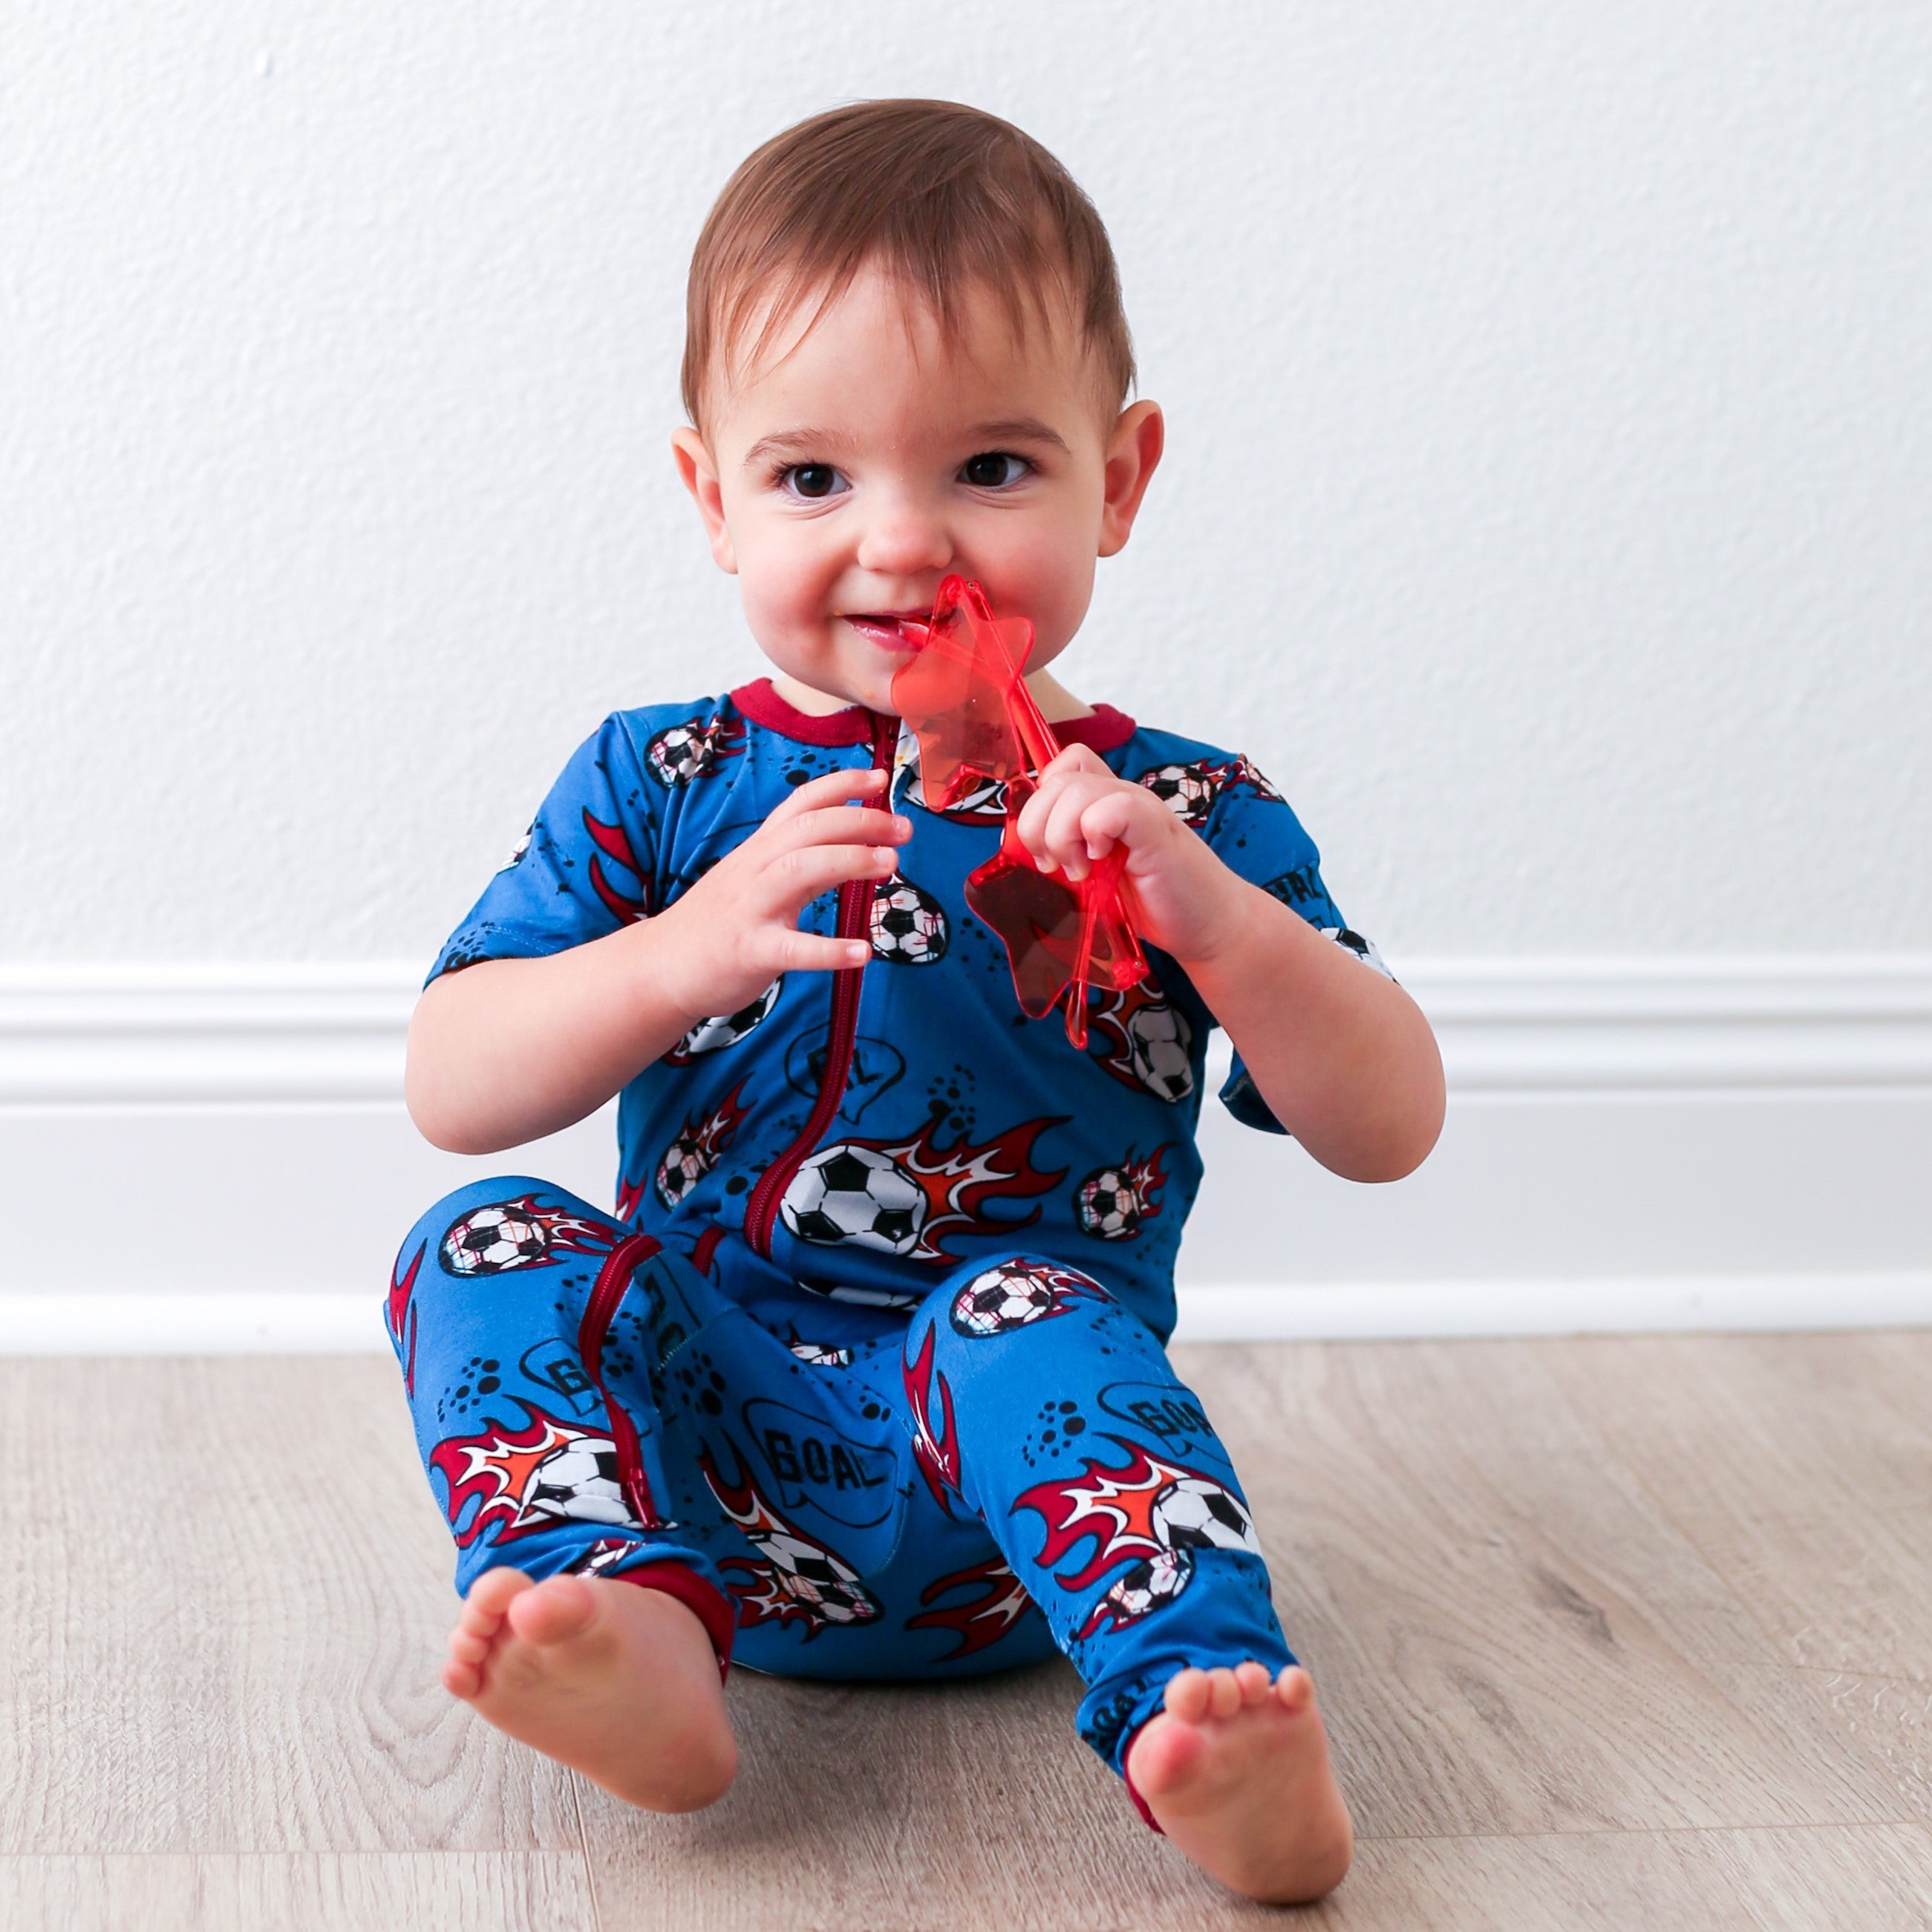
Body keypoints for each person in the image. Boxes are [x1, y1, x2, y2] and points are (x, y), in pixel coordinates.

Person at [391, 98, 1443, 1905]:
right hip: (699, 1451)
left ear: (1117, 478)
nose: (902, 544)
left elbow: (1388, 1122)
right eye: (813, 478)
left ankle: (1199, 1713)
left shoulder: (1185, 815)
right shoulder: (664, 782)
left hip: (1004, 1513)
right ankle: (629, 1624)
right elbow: (454, 1078)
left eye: (989, 470)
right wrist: (678, 953)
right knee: (477, 1234)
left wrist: (1220, 931)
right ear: (710, 495)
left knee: (1027, 1306)